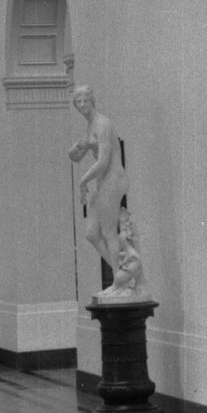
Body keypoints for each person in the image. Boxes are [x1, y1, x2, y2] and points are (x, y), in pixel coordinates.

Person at [68, 84, 127, 290]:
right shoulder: (90, 125)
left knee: (109, 231)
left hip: (113, 179)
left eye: (85, 100)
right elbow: (75, 157)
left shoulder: (102, 124)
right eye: (78, 102)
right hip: (102, 182)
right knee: (92, 234)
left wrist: (83, 181)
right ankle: (124, 274)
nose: (82, 104)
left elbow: (103, 161)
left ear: (92, 101)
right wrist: (77, 148)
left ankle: (122, 281)